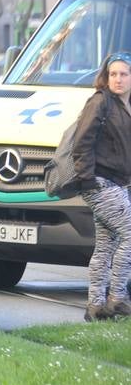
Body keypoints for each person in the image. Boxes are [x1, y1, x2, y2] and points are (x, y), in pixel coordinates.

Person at [69, 53, 131, 321]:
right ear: (106, 77)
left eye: (124, 74)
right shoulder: (100, 101)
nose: (118, 79)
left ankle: (95, 306)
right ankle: (116, 297)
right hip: (100, 182)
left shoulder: (125, 105)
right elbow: (81, 143)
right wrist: (88, 180)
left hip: (118, 182)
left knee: (106, 245)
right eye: (113, 74)